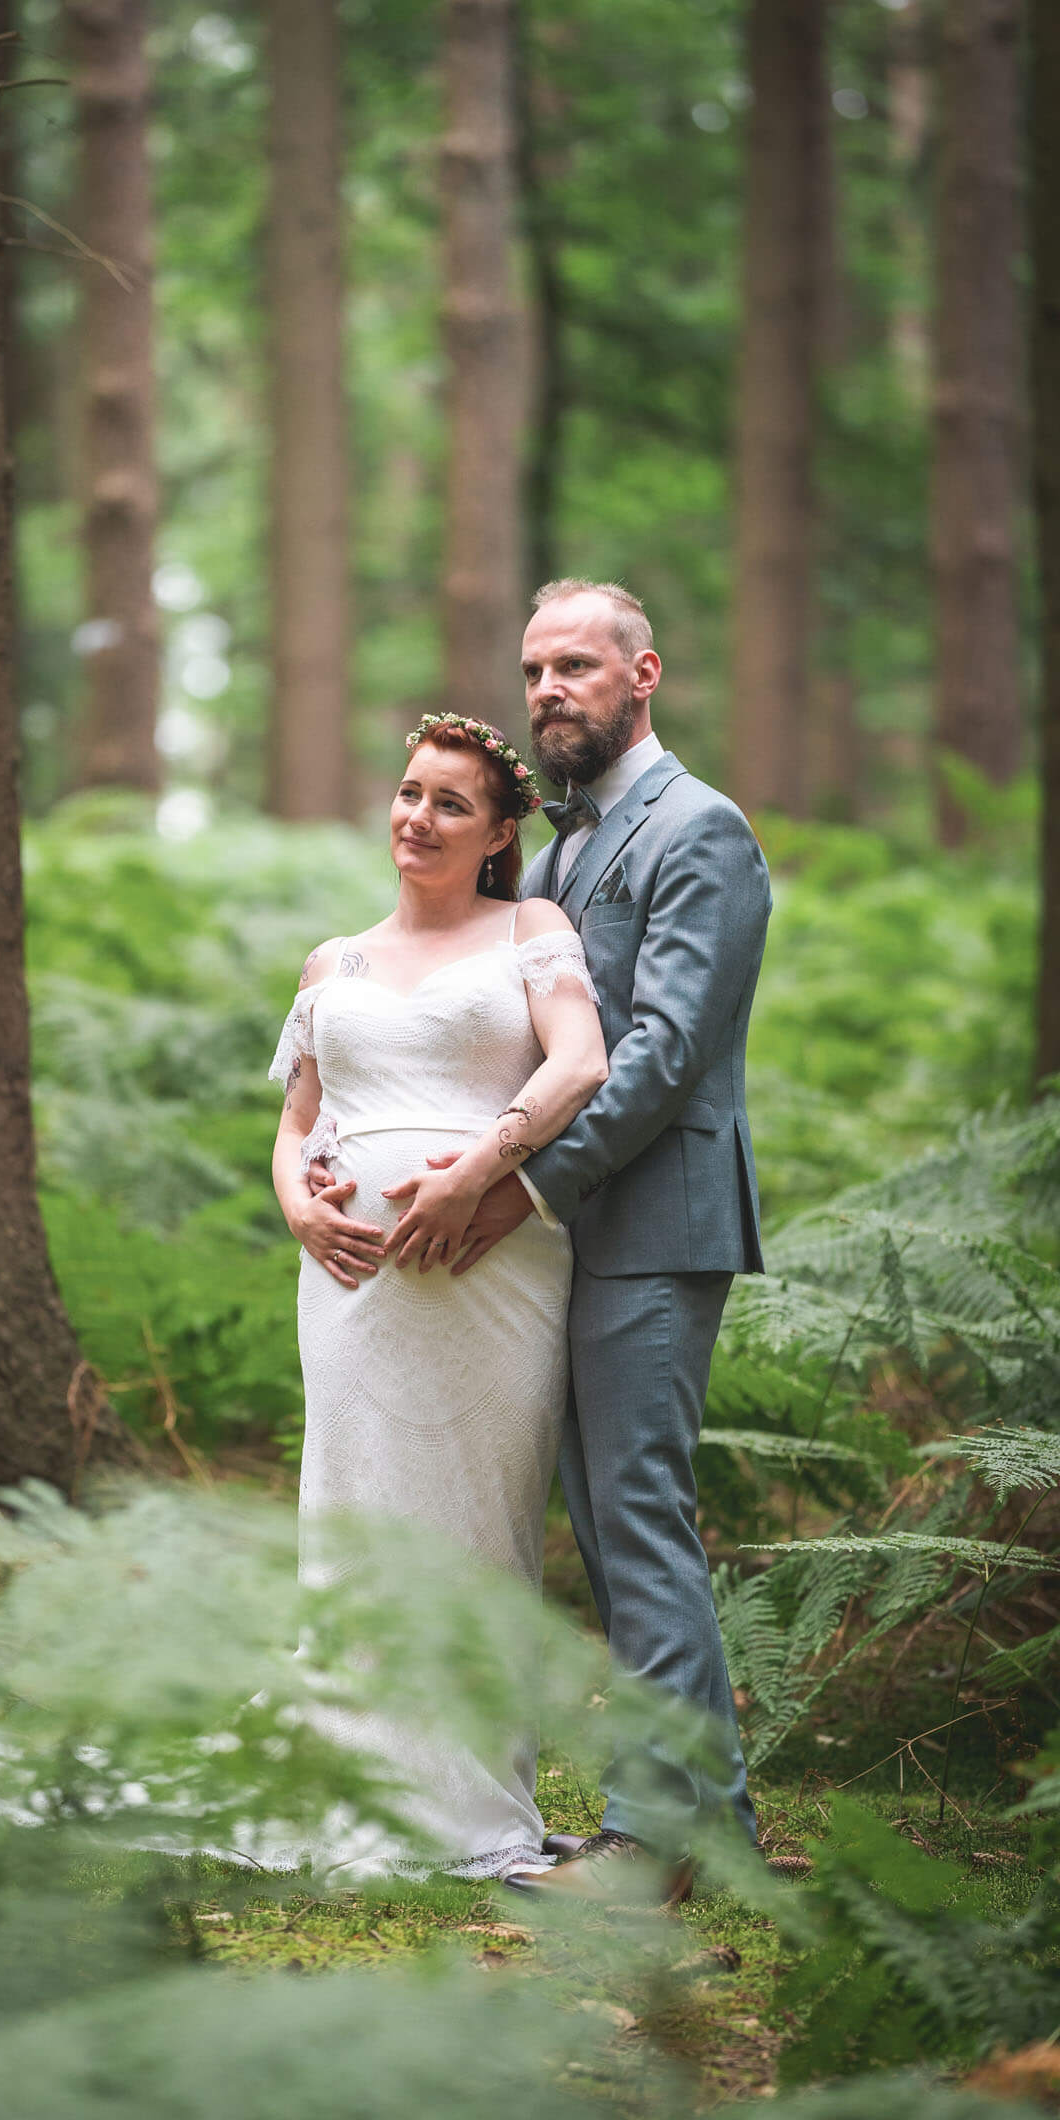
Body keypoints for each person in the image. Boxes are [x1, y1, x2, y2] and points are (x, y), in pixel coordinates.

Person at [405, 579, 771, 1905]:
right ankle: (710, 1836)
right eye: (535, 669)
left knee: (639, 1525)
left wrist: (521, 1185)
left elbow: (666, 1054)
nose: (551, 688)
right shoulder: (556, 858)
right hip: (566, 1243)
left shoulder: (701, 831)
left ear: (644, 675)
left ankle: (649, 1844)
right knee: (613, 1535)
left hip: (654, 1228)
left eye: (578, 666)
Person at [270, 713, 607, 1881]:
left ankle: (470, 1804)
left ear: (500, 832)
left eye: (450, 804)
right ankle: (356, 1788)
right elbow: (298, 1119)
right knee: (355, 1516)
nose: (418, 818)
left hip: (491, 1272)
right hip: (351, 1290)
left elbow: (581, 1063)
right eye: (410, 794)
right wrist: (299, 1206)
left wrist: (477, 1172)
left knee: (479, 1517)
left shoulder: (532, 929)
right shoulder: (334, 963)